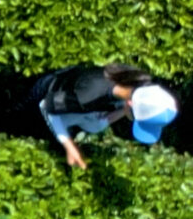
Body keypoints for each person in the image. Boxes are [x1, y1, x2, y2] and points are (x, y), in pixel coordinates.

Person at [29, 62, 177, 169]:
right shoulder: (89, 96)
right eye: (134, 118)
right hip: (46, 92)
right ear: (130, 104)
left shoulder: (139, 82)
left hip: (71, 94)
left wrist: (122, 111)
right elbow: (45, 105)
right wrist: (69, 146)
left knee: (96, 124)